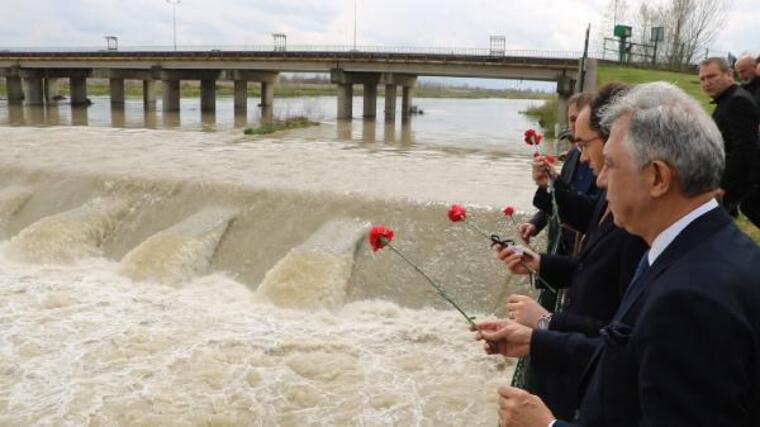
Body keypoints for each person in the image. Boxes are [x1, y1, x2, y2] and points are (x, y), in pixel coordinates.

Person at [477, 82, 760, 426]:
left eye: (612, 164)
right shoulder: (698, 248)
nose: (599, 181)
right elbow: (630, 355)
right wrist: (537, 341)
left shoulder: (690, 298)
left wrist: (547, 426)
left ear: (657, 177)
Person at [501, 83, 648, 420]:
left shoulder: (638, 226)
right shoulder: (612, 199)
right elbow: (588, 266)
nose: (582, 159)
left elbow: (620, 338)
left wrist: (546, 321)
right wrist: (539, 262)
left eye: (585, 145)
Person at [519, 92, 598, 255]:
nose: (574, 126)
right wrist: (536, 224)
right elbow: (560, 196)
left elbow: (593, 211)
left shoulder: (604, 161)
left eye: (578, 119)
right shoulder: (572, 154)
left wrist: (554, 182)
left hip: (583, 250)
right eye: (571, 120)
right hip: (559, 246)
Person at [699, 57, 760, 227]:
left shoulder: (736, 101)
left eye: (711, 76)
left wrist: (723, 186)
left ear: (729, 74)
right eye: (702, 79)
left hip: (740, 183)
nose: (706, 83)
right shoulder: (728, 99)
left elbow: (744, 149)